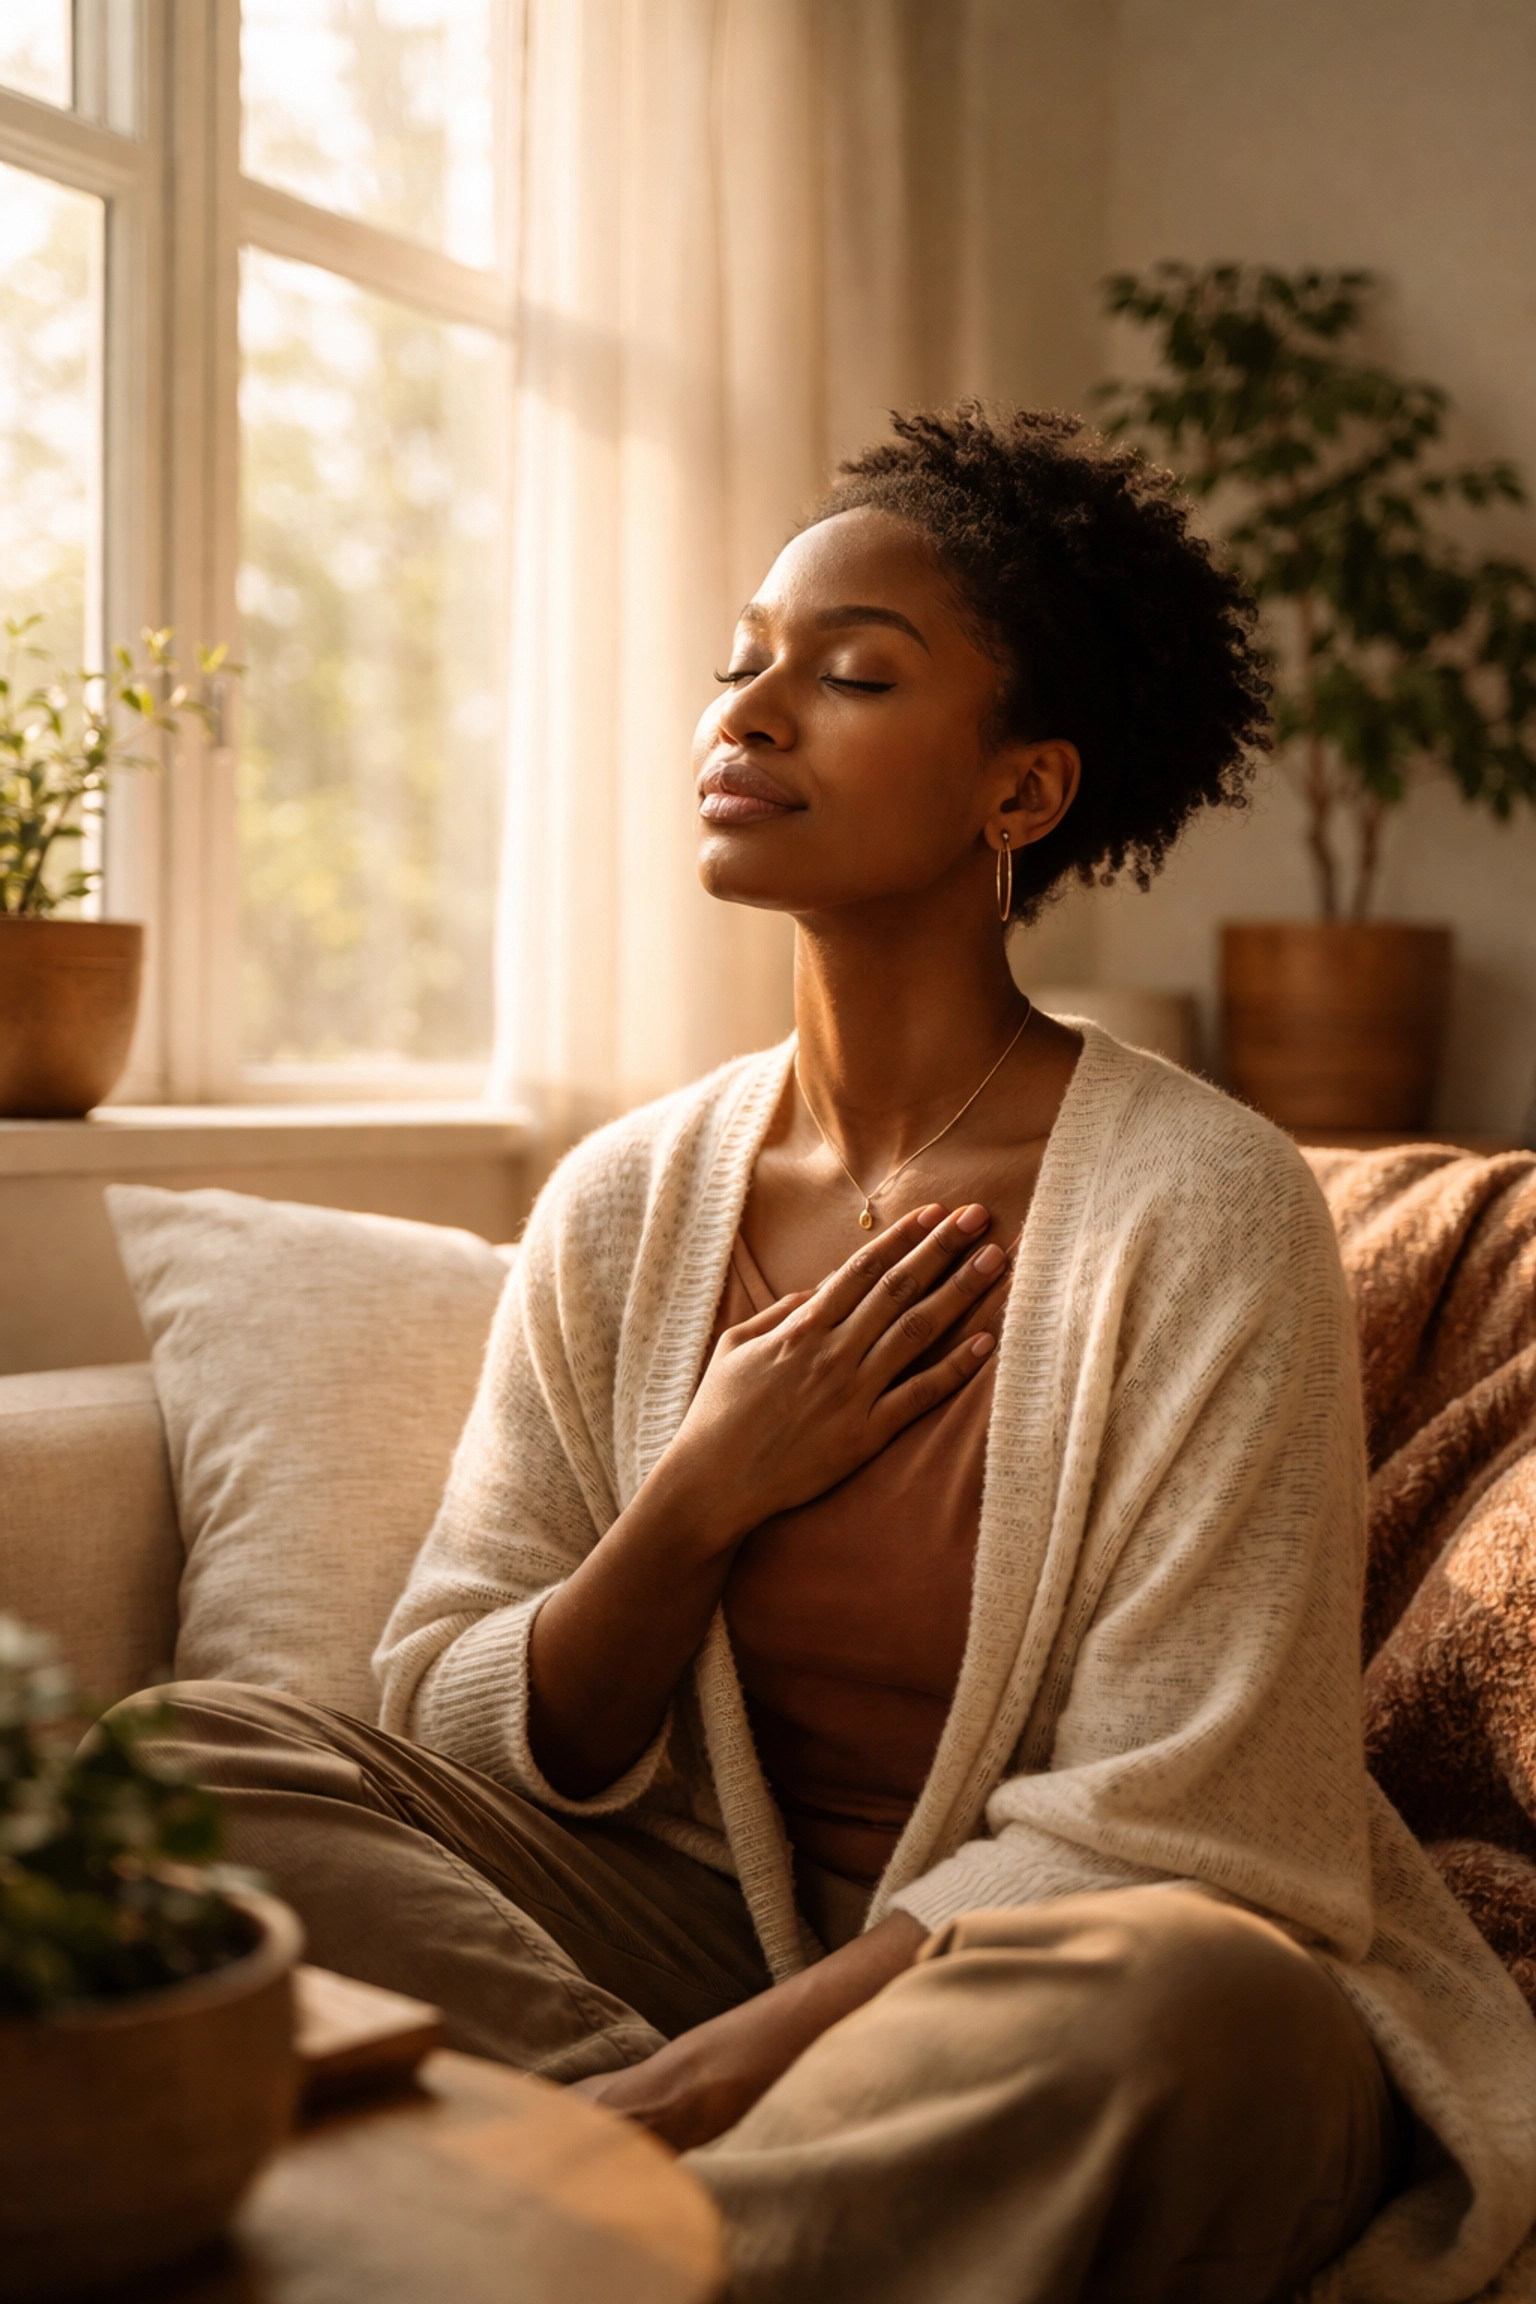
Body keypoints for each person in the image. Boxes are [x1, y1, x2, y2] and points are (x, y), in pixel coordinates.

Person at [135, 408, 1536, 2303]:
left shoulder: (1203, 1204)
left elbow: (1187, 1822)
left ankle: (530, 2218)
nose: (754, 711)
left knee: (1187, 1997)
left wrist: (728, 2072)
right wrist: (698, 1496)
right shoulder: (627, 1200)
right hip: (699, 1951)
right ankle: (663, 2204)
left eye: (853, 673)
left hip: (1077, 1990)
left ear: (1021, 794)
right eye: (743, 663)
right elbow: (446, 1712)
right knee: (175, 1771)